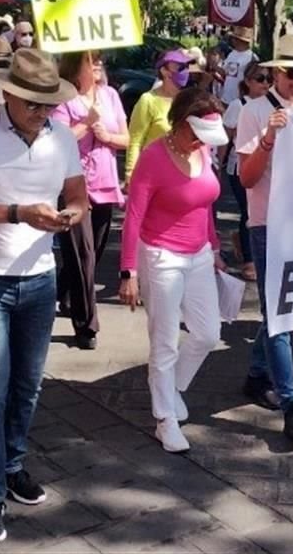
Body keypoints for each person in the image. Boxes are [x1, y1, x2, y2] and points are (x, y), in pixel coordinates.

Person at [0, 48, 86, 544]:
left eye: (49, 103)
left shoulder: (62, 135)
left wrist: (71, 214)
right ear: (8, 93)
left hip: (40, 276)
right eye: (32, 103)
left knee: (28, 385)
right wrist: (18, 214)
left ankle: (13, 465)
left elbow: (79, 196)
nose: (41, 111)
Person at [119, 88, 228, 453]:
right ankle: (164, 418)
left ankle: (172, 388)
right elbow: (133, 215)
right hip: (161, 256)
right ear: (180, 125)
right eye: (197, 133)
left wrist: (213, 246)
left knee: (208, 333)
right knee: (164, 342)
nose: (202, 142)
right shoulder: (153, 158)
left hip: (198, 255)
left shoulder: (204, 148)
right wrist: (128, 271)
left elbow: (206, 205)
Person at [235, 25, 293, 440]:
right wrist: (269, 137)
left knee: (284, 310)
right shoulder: (255, 111)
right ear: (275, 72)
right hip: (268, 223)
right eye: (292, 72)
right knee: (281, 314)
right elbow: (247, 178)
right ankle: (291, 403)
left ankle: (257, 373)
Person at [51, 50, 129, 349]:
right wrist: (86, 123)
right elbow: (57, 139)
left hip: (105, 181)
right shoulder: (64, 97)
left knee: (91, 253)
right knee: (83, 254)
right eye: (90, 59)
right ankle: (86, 326)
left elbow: (126, 138)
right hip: (74, 185)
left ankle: (66, 292)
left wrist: (106, 136)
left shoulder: (110, 95)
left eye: (100, 59)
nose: (97, 63)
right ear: (75, 64)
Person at [222, 61, 271, 281]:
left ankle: (242, 242)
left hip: (266, 167)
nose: (265, 84)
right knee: (247, 211)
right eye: (260, 79)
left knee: (252, 213)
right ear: (248, 82)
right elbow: (226, 137)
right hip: (238, 166)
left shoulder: (271, 106)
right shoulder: (238, 105)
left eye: (268, 79)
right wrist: (219, 164)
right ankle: (249, 260)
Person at [125, 50, 194, 182]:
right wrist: (130, 175)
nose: (185, 71)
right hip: (153, 175)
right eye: (180, 67)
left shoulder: (188, 101)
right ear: (164, 71)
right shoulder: (148, 100)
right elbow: (135, 141)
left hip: (181, 174)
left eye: (186, 67)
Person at [218, 26, 257, 105]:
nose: (231, 40)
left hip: (240, 102)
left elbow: (254, 81)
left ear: (239, 40)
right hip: (226, 99)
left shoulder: (252, 57)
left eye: (234, 38)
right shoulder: (231, 54)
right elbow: (225, 73)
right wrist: (214, 66)